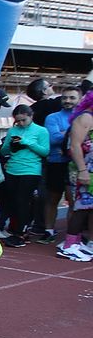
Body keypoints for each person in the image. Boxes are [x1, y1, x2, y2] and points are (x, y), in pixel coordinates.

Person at [0, 104, 50, 248]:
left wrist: (27, 142)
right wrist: (10, 144)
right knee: (12, 201)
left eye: (23, 120)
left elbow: (45, 151)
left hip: (31, 170)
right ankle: (15, 229)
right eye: (17, 121)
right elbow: (4, 150)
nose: (20, 123)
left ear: (31, 116)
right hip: (13, 169)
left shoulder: (41, 131)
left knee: (23, 201)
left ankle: (21, 232)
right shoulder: (13, 130)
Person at [42, 85, 82, 243]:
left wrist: (65, 134)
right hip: (56, 163)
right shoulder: (52, 117)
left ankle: (71, 236)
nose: (67, 101)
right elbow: (53, 139)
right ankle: (48, 231)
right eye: (64, 97)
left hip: (75, 164)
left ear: (80, 99)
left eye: (72, 98)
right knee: (53, 198)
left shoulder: (84, 117)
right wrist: (73, 133)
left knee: (73, 201)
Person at [57, 92, 93, 261]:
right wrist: (82, 170)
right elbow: (75, 146)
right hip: (85, 169)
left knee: (89, 208)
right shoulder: (85, 118)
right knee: (81, 207)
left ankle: (84, 243)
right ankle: (70, 244)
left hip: (88, 168)